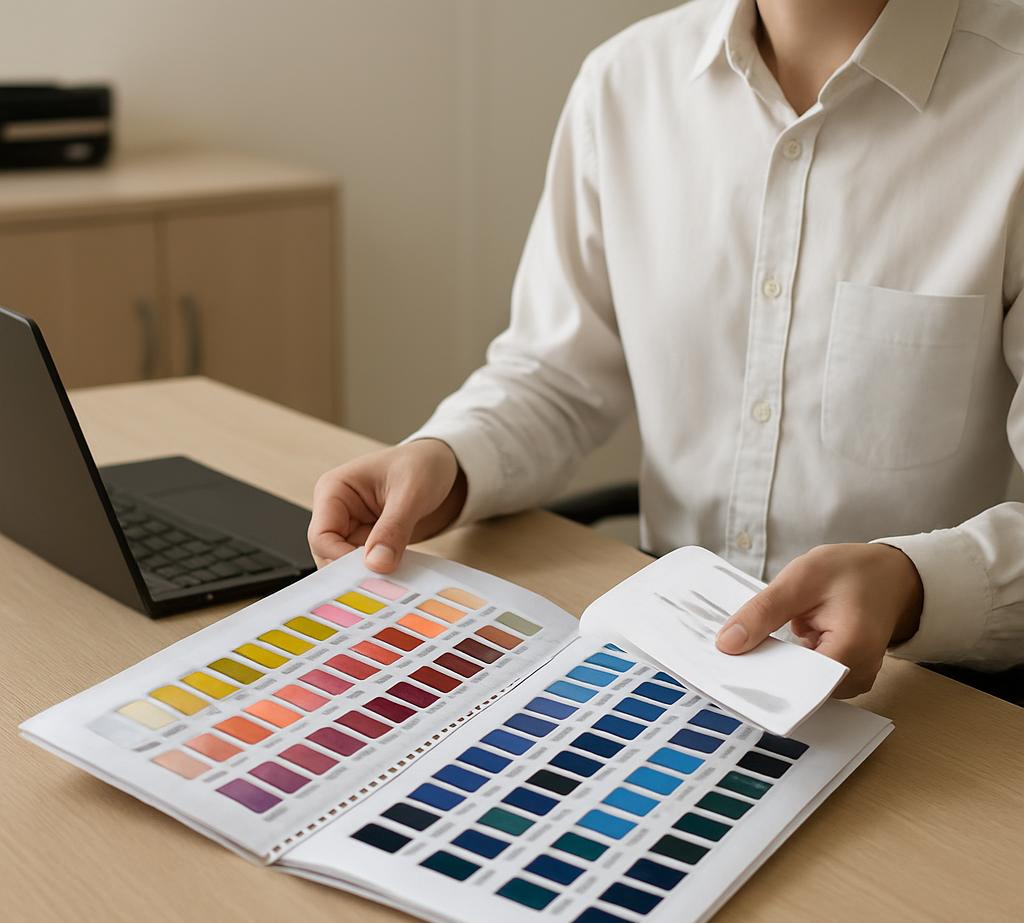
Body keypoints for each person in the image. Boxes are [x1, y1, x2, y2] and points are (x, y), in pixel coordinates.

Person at [309, 0, 1024, 695]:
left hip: (929, 694)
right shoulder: (625, 83)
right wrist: (448, 459)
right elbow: (554, 373)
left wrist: (911, 584)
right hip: (663, 657)